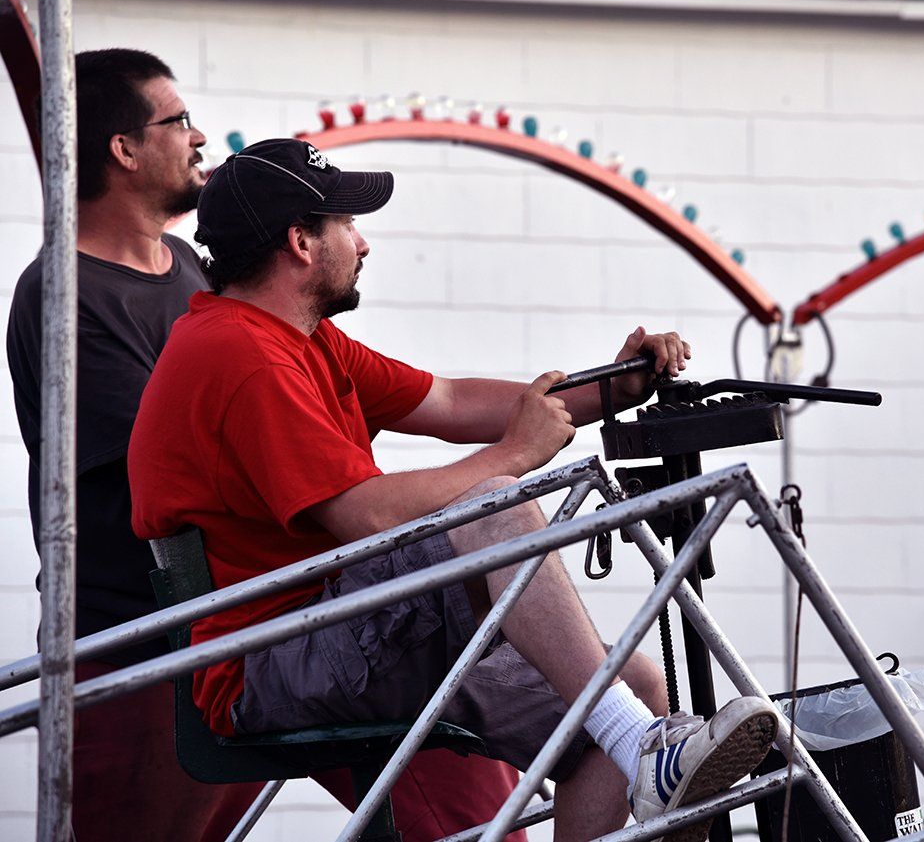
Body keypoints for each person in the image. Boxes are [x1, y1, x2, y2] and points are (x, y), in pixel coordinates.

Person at [126, 137, 779, 841]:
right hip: (277, 658)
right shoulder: (241, 354)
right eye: (348, 224)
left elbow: (449, 399)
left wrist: (611, 388)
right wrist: (513, 455)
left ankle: (640, 746)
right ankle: (649, 751)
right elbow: (366, 515)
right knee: (493, 502)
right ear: (301, 242)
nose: (364, 243)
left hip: (339, 624)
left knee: (634, 692)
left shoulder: (296, 337)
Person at [5, 49, 526, 842]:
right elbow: (213, 451)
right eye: (177, 120)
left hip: (285, 614)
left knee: (479, 809)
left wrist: (598, 389)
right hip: (144, 644)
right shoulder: (64, 294)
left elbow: (430, 399)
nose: (199, 134)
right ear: (122, 148)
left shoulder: (190, 272)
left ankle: (639, 738)